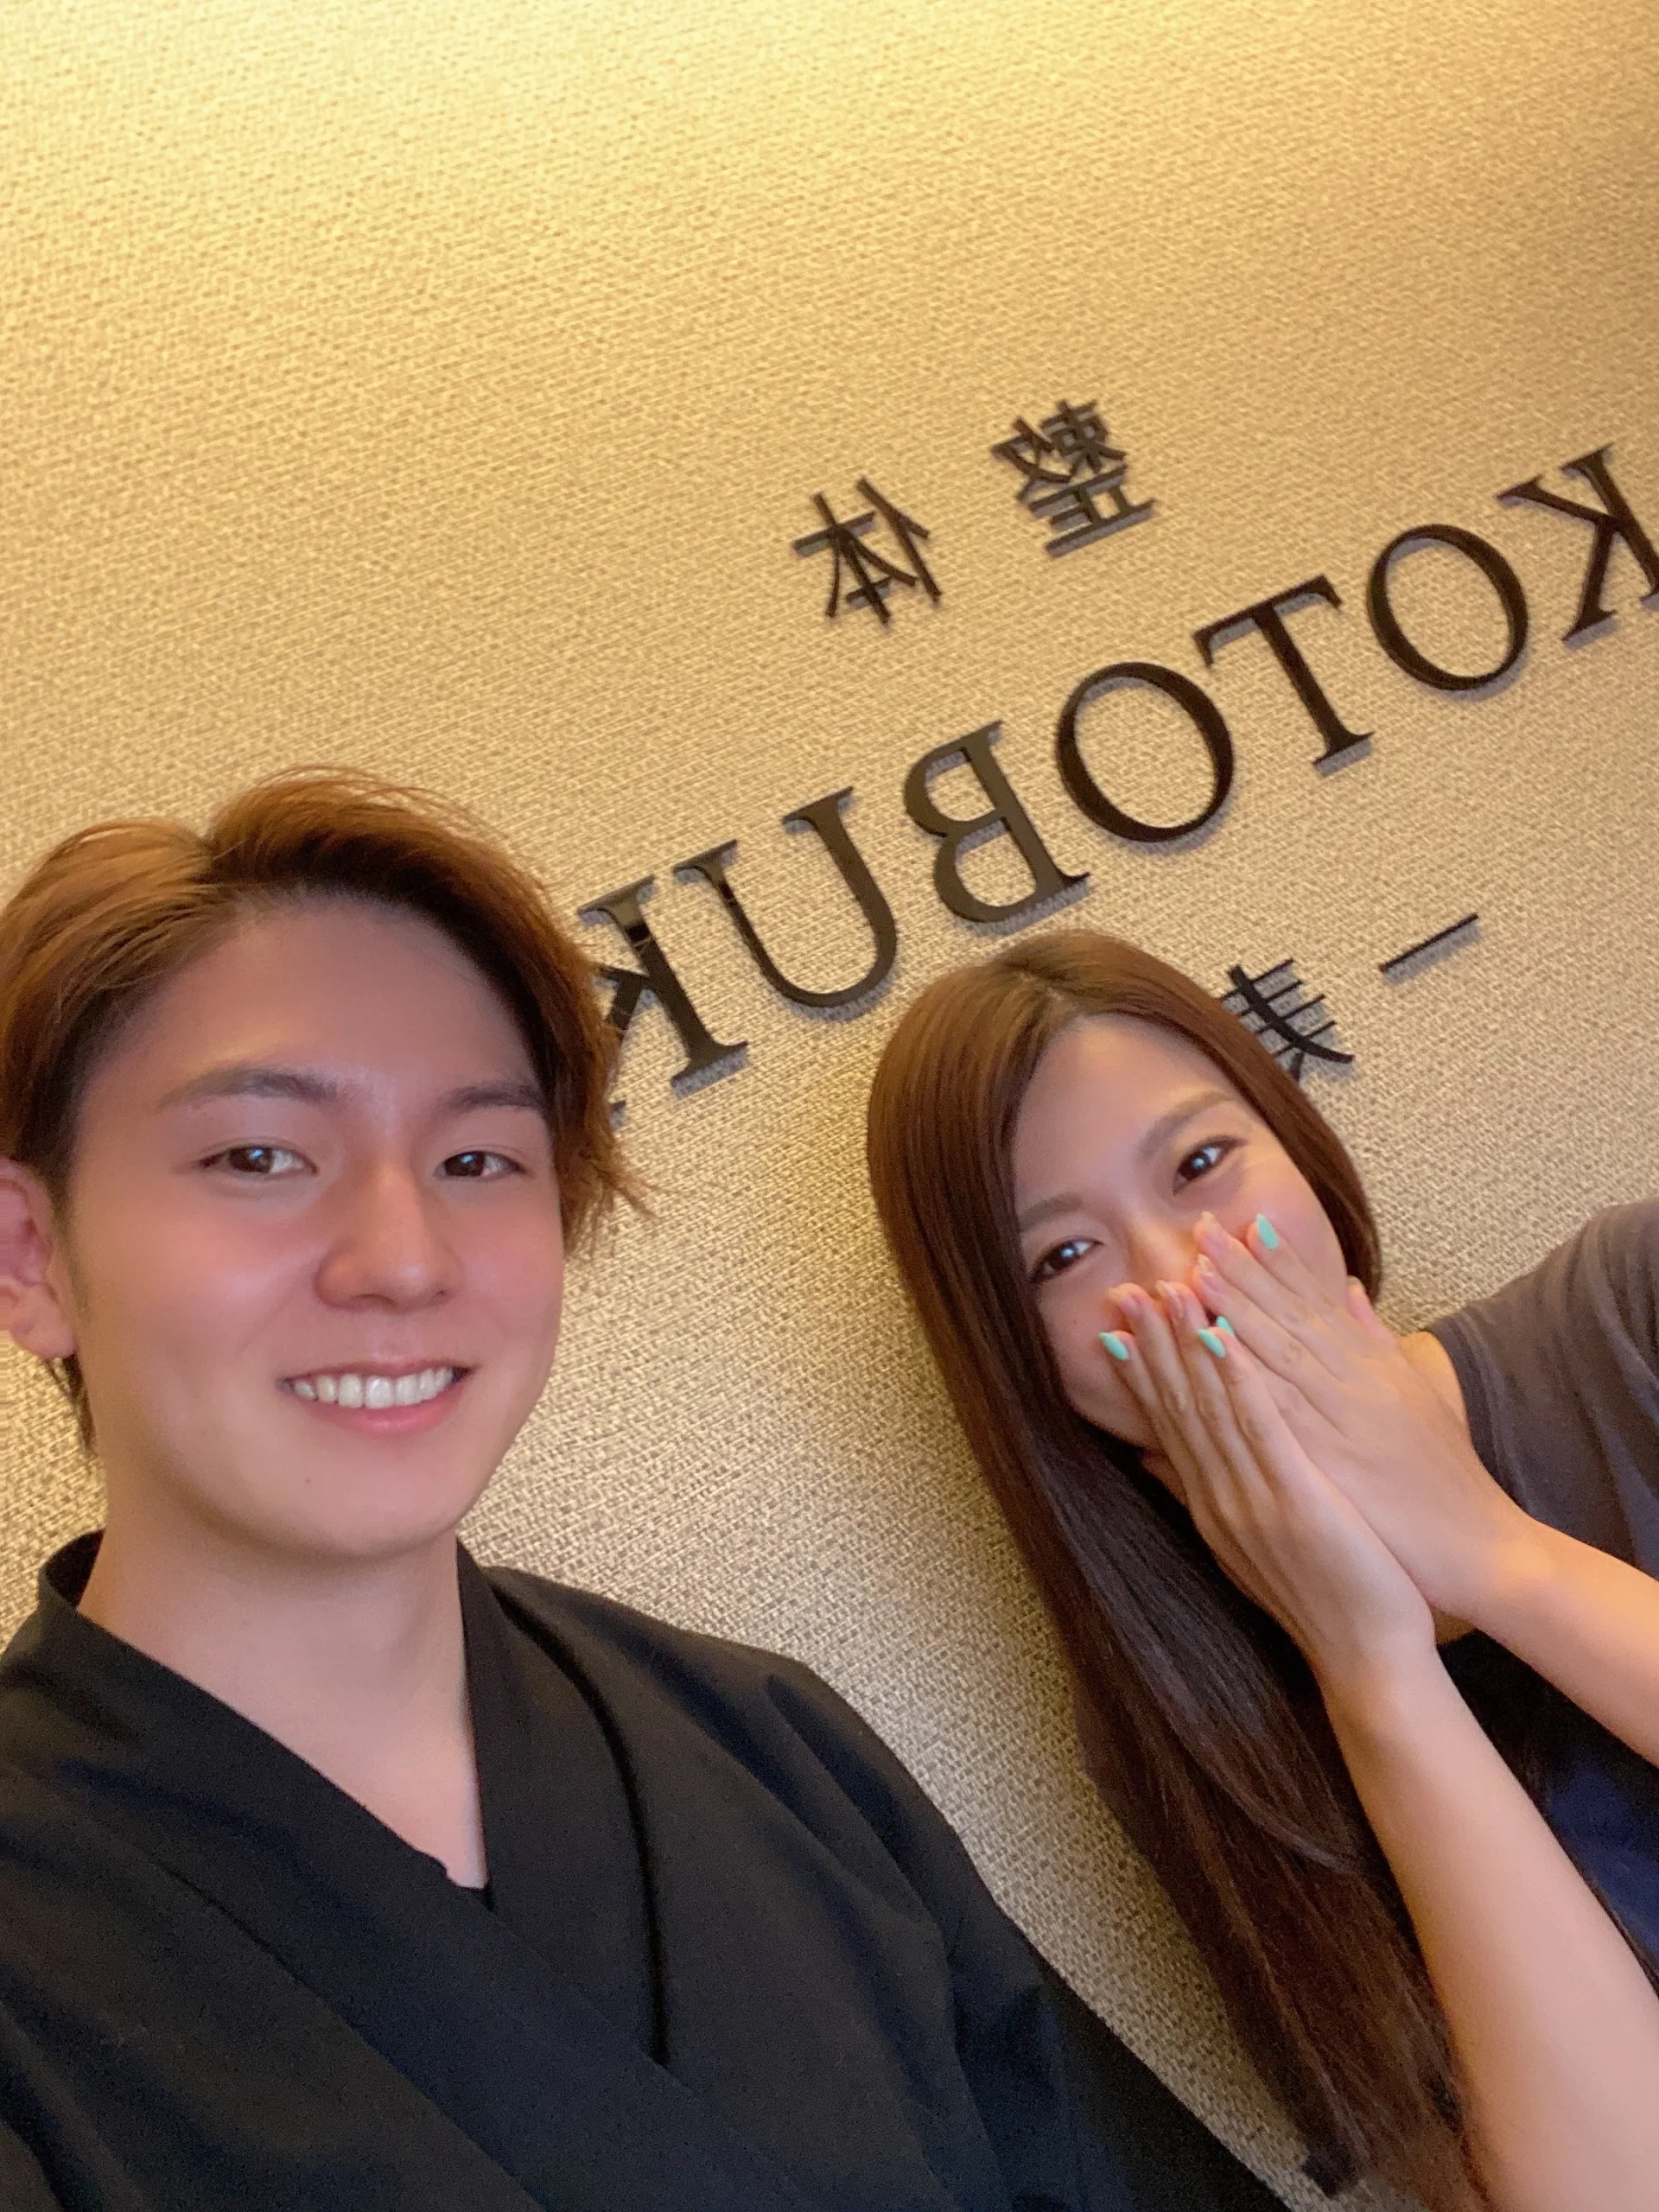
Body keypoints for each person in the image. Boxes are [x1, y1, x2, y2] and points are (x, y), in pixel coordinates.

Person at [0, 774, 1283, 2212]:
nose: (404, 1259)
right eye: (259, 1156)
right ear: (29, 1255)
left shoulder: (762, 1740)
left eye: (476, 1157)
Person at [866, 930, 1659, 2212]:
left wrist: (1492, 1554)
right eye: (1064, 1259)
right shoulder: (1167, 1714)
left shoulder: (1633, 1312)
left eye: (1200, 1165)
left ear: (1298, 1144)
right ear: (1018, 1356)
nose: (1181, 1282)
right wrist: (1374, 1670)